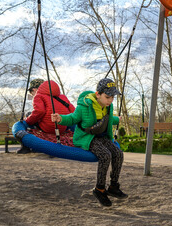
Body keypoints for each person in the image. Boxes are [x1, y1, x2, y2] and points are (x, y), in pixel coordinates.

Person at [51, 78, 127, 207]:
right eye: (107, 97)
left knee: (119, 154)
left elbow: (106, 120)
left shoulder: (108, 106)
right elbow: (72, 118)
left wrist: (116, 119)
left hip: (102, 137)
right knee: (105, 155)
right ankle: (99, 189)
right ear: (98, 94)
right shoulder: (84, 106)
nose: (110, 100)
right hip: (87, 137)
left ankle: (113, 186)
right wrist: (60, 119)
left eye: (112, 97)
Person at [17, 78, 44, 154]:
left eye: (31, 91)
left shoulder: (38, 96)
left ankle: (25, 147)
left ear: (35, 89)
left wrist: (28, 119)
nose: (31, 94)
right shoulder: (51, 96)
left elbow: (40, 112)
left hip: (44, 123)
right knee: (30, 114)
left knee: (25, 121)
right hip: (54, 123)